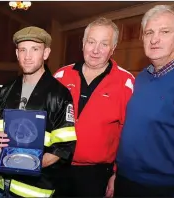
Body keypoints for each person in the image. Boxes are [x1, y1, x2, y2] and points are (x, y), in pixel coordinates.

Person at [115, 5, 174, 197]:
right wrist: (117, 173)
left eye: (165, 32)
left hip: (163, 189)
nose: (154, 39)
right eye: (149, 32)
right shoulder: (141, 78)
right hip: (125, 182)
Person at [0, 26, 77, 198]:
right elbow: (0, 129)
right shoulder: (7, 89)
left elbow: (65, 147)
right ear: (17, 54)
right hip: (0, 183)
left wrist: (29, 165)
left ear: (46, 53)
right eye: (23, 50)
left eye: (34, 49)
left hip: (33, 189)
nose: (27, 56)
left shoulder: (60, 94)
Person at [51, 17, 135, 197]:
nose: (96, 50)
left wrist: (116, 173)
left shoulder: (126, 83)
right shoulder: (61, 76)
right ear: (83, 44)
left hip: (97, 175)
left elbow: (129, 135)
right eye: (91, 42)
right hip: (56, 166)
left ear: (113, 48)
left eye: (104, 44)